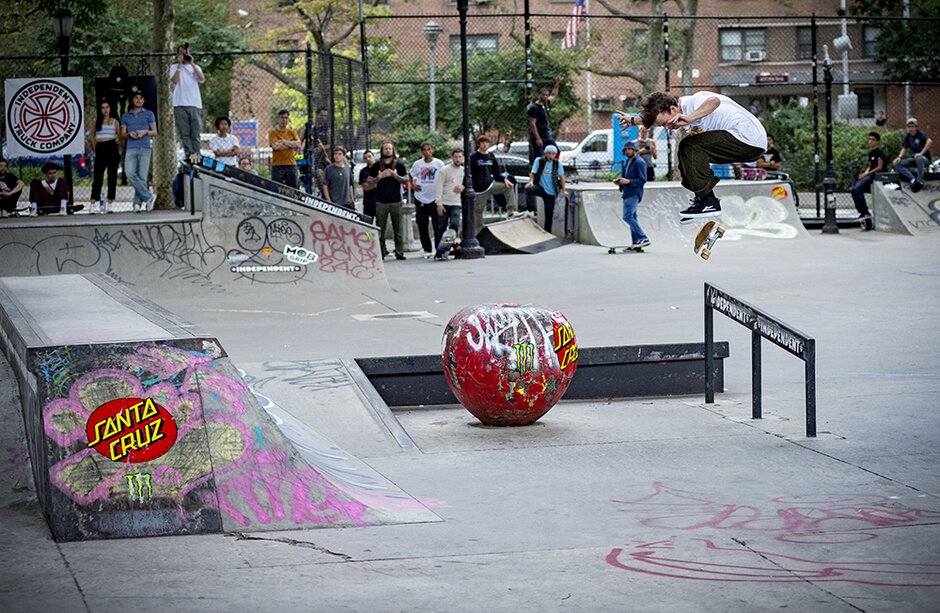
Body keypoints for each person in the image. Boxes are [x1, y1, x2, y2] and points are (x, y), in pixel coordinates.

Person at [621, 91, 766, 222]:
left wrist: (690, 118)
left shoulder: (695, 101)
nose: (667, 127)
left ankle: (708, 201)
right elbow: (657, 117)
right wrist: (634, 120)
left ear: (673, 109)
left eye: (666, 123)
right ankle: (703, 200)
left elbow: (714, 101)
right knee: (686, 158)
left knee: (690, 146)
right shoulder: (671, 113)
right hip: (745, 145)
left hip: (746, 138)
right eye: (663, 126)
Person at [370, 141, 409, 260]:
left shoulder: (399, 165)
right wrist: (379, 177)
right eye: (385, 149)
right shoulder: (376, 165)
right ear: (382, 150)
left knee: (398, 228)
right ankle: (381, 251)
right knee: (380, 228)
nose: (387, 151)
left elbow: (406, 180)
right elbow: (369, 181)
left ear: (393, 151)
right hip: (381, 201)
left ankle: (399, 252)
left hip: (396, 200)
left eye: (390, 149)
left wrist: (395, 176)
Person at [470, 135, 517, 233]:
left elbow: (496, 173)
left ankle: (510, 210)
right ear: (479, 144)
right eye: (482, 143)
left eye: (486, 142)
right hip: (479, 189)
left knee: (508, 187)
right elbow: (470, 173)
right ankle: (478, 231)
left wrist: (505, 180)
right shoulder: (474, 157)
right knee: (478, 211)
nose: (485, 144)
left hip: (491, 185)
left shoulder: (491, 156)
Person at [120, 91, 158, 212]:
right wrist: (129, 134)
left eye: (141, 98)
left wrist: (145, 132)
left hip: (145, 147)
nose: (138, 100)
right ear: (132, 100)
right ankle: (149, 197)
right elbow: (122, 134)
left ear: (144, 101)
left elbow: (155, 132)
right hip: (131, 147)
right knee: (129, 173)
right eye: (136, 98)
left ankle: (136, 204)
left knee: (142, 177)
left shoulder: (149, 114)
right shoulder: (125, 116)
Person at [169, 43, 206, 160]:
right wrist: (180, 64)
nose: (183, 55)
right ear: (177, 54)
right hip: (179, 104)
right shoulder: (174, 67)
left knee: (195, 133)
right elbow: (174, 80)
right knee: (185, 134)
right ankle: (189, 157)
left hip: (194, 104)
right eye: (181, 52)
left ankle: (196, 157)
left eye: (185, 52)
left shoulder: (195, 68)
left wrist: (192, 63)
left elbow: (201, 79)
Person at [410, 142, 445, 258]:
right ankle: (427, 249)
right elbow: (411, 175)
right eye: (424, 150)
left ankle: (438, 249)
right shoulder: (417, 164)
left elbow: (444, 176)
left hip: (435, 198)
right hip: (421, 198)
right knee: (422, 224)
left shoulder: (439, 163)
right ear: (422, 152)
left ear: (432, 150)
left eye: (429, 149)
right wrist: (413, 185)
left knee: (437, 225)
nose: (427, 152)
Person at [614, 141, 650, 250]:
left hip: (634, 193)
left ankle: (643, 237)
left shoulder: (639, 162)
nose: (627, 151)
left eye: (629, 149)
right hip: (627, 192)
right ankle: (636, 242)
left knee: (627, 216)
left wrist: (628, 182)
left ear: (634, 150)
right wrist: (620, 182)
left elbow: (642, 180)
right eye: (625, 150)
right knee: (632, 217)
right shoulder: (628, 162)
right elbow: (626, 177)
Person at [524, 144, 568, 233]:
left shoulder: (557, 163)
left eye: (553, 154)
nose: (551, 156)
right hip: (540, 187)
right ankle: (530, 210)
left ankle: (547, 232)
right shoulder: (539, 161)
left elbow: (562, 177)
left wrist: (564, 190)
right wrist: (531, 181)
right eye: (549, 154)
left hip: (551, 192)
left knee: (549, 214)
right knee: (528, 189)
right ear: (546, 154)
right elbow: (533, 172)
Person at [88, 100, 122, 214]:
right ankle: (93, 203)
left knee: (112, 177)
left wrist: (120, 149)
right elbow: (91, 136)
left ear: (110, 108)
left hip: (112, 147)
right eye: (103, 107)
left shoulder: (115, 122)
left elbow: (120, 137)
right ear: (100, 109)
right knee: (98, 177)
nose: (105, 110)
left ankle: (110, 203)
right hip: (101, 147)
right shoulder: (97, 121)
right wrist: (96, 147)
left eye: (107, 107)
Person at [850, 132, 888, 227]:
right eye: (869, 139)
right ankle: (863, 213)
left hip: (878, 176)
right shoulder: (871, 153)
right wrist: (864, 173)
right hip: (871, 175)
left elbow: (879, 167)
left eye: (873, 139)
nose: (870, 141)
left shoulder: (880, 153)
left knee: (857, 188)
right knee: (854, 189)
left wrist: (867, 174)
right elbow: (870, 166)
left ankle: (865, 212)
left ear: (877, 141)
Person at [433, 148, 465, 258]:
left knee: (454, 224)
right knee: (441, 227)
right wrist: (439, 203)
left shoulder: (464, 171)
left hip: (456, 203)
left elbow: (467, 185)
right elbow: (439, 187)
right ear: (452, 158)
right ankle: (440, 250)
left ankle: (453, 245)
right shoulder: (444, 170)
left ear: (463, 158)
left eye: (460, 157)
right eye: (455, 157)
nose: (458, 159)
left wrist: (463, 187)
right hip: (444, 202)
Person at [527, 75, 562, 162]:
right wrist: (538, 138)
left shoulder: (546, 104)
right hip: (538, 134)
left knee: (555, 151)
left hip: (546, 134)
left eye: (547, 95)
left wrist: (557, 83)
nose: (545, 97)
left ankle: (551, 167)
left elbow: (554, 94)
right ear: (539, 95)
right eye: (543, 95)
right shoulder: (534, 108)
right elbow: (532, 123)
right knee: (539, 158)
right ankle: (539, 172)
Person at [893, 118, 932, 193]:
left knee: (919, 158)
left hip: (924, 160)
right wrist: (899, 157)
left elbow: (929, 141)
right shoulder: (908, 136)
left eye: (912, 127)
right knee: (897, 164)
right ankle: (913, 180)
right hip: (914, 159)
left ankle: (920, 182)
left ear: (916, 127)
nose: (910, 129)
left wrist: (921, 153)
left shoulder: (920, 134)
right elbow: (904, 147)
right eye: (909, 127)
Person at [269, 109, 302, 189]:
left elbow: (298, 144)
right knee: (276, 189)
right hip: (277, 165)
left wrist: (283, 142)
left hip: (291, 164)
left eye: (286, 118)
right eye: (282, 118)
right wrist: (291, 144)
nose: (284, 120)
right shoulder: (273, 132)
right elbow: (275, 146)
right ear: (278, 119)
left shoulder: (291, 132)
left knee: (294, 189)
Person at [302, 107, 331, 193]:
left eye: (325, 116)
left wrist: (321, 147)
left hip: (321, 156)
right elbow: (300, 140)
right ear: (317, 115)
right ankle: (308, 192)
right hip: (308, 155)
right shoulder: (308, 126)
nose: (323, 117)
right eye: (321, 115)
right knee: (307, 176)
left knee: (319, 174)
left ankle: (323, 194)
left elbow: (329, 144)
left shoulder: (327, 129)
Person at [358, 150, 378, 218]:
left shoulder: (380, 169)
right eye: (365, 158)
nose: (368, 159)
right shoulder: (363, 171)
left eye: (369, 156)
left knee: (381, 224)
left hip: (380, 202)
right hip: (368, 202)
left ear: (374, 157)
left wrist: (372, 184)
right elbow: (365, 187)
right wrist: (376, 184)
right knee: (367, 224)